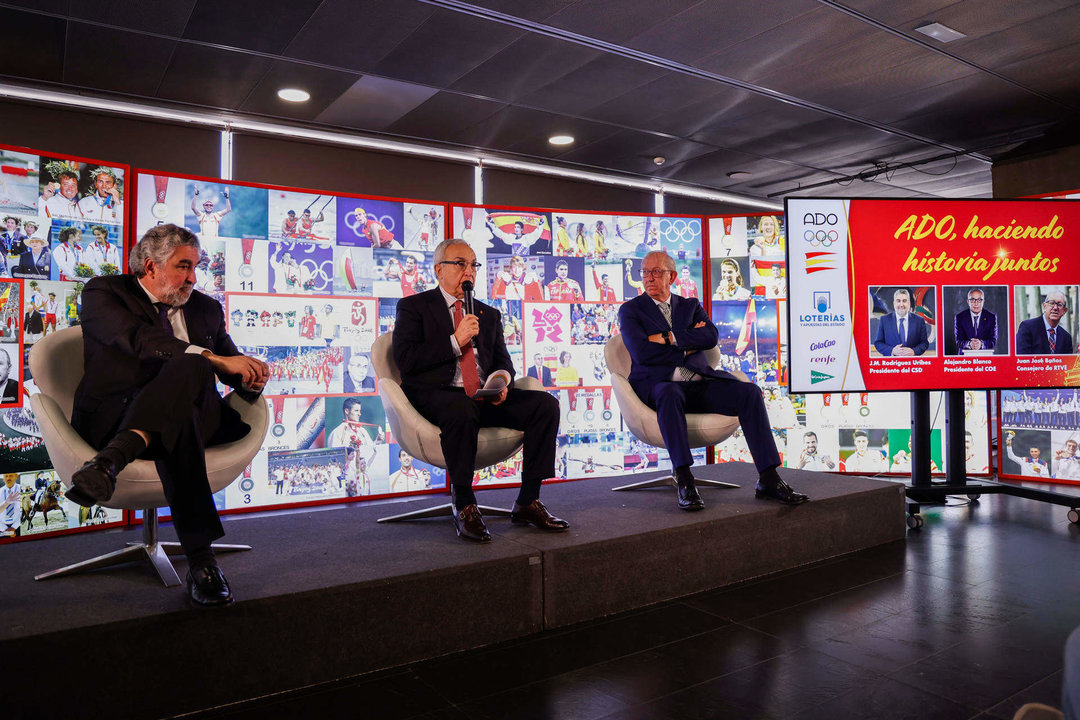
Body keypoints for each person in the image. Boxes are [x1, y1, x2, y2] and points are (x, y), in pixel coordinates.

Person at [65, 223, 269, 607]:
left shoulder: (206, 308)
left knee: (192, 374)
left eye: (196, 267)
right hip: (115, 415)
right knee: (189, 372)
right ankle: (201, 560)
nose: (194, 277)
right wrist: (207, 358)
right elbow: (140, 341)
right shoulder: (104, 293)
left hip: (168, 424)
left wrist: (251, 378)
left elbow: (231, 364)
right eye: (184, 267)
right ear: (150, 266)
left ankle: (112, 461)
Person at [392, 238, 566, 541]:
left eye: (473, 265)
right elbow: (406, 362)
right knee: (461, 409)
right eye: (460, 264)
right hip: (437, 396)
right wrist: (454, 340)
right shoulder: (413, 307)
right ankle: (464, 502)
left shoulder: (488, 314)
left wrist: (501, 382)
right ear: (438, 269)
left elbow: (503, 363)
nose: (468, 271)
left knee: (545, 405)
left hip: (482, 396)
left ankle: (527, 501)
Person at [618, 250, 808, 510]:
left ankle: (769, 478)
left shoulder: (690, 306)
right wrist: (687, 341)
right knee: (669, 393)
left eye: (656, 272)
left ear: (671, 276)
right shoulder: (631, 310)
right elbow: (641, 352)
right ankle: (684, 478)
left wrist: (668, 337)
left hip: (699, 383)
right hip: (658, 386)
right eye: (645, 272)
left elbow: (709, 337)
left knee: (749, 392)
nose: (649, 278)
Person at [873, 288, 929, 356]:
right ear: (894, 303)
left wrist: (914, 351)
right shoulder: (884, 320)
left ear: (909, 303)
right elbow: (878, 343)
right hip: (891, 364)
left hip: (913, 363)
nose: (901, 304)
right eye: (898, 301)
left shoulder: (919, 320)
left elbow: (924, 343)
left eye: (904, 301)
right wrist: (892, 351)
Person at [327, 397, 381, 466]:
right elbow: (334, 458)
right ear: (347, 411)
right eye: (356, 411)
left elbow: (370, 451)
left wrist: (377, 441)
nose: (359, 414)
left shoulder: (362, 431)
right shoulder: (337, 433)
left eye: (360, 411)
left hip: (361, 471)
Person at [954, 288, 997, 354]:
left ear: (983, 301)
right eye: (973, 300)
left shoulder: (991, 317)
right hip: (964, 358)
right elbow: (958, 341)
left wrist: (981, 344)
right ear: (968, 301)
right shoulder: (960, 317)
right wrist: (969, 344)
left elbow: (993, 341)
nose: (976, 303)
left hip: (985, 357)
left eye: (979, 300)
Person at [0, 473, 20, 537]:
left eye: (11, 475)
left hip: (19, 527)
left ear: (16, 476)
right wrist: (5, 530)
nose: (8, 478)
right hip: (2, 529)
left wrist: (14, 527)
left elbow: (24, 511)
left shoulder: (21, 489)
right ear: (3, 478)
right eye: (6, 476)